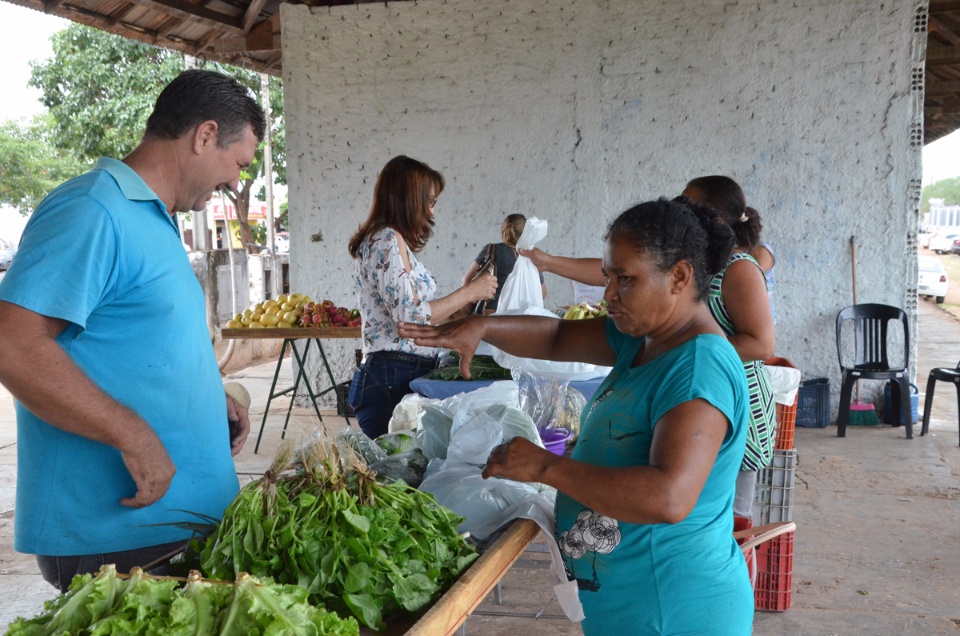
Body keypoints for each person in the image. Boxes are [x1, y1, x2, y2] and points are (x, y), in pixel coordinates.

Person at [400, 198, 754, 635]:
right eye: (608, 277)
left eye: (625, 279)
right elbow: (557, 336)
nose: (608, 295)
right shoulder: (643, 339)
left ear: (679, 276)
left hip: (672, 610)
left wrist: (545, 466)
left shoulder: (698, 366)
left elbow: (668, 497)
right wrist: (485, 327)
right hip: (629, 606)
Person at [0, 69, 265, 592]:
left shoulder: (154, 217)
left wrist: (211, 398)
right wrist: (132, 433)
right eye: (238, 164)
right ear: (205, 134)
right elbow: (12, 343)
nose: (236, 182)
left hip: (171, 530)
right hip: (120, 537)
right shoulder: (93, 209)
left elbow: (136, 344)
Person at [347, 155, 498, 439]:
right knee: (397, 474)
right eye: (429, 202)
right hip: (392, 375)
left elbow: (416, 310)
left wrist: (464, 311)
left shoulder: (389, 241)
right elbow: (409, 317)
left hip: (397, 373)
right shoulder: (386, 240)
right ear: (408, 199)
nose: (432, 212)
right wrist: (469, 291)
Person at [681, 176, 776, 521]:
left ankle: (736, 575)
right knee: (701, 515)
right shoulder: (704, 262)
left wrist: (689, 350)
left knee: (733, 522)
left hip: (739, 398)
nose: (681, 211)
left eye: (689, 205)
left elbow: (761, 343)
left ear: (715, 219)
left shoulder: (739, 270)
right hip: (708, 394)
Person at [461, 213, 546, 313]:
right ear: (526, 232)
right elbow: (542, 293)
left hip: (489, 314)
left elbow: (466, 282)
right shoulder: (531, 255)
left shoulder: (491, 250)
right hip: (521, 318)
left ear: (503, 232)